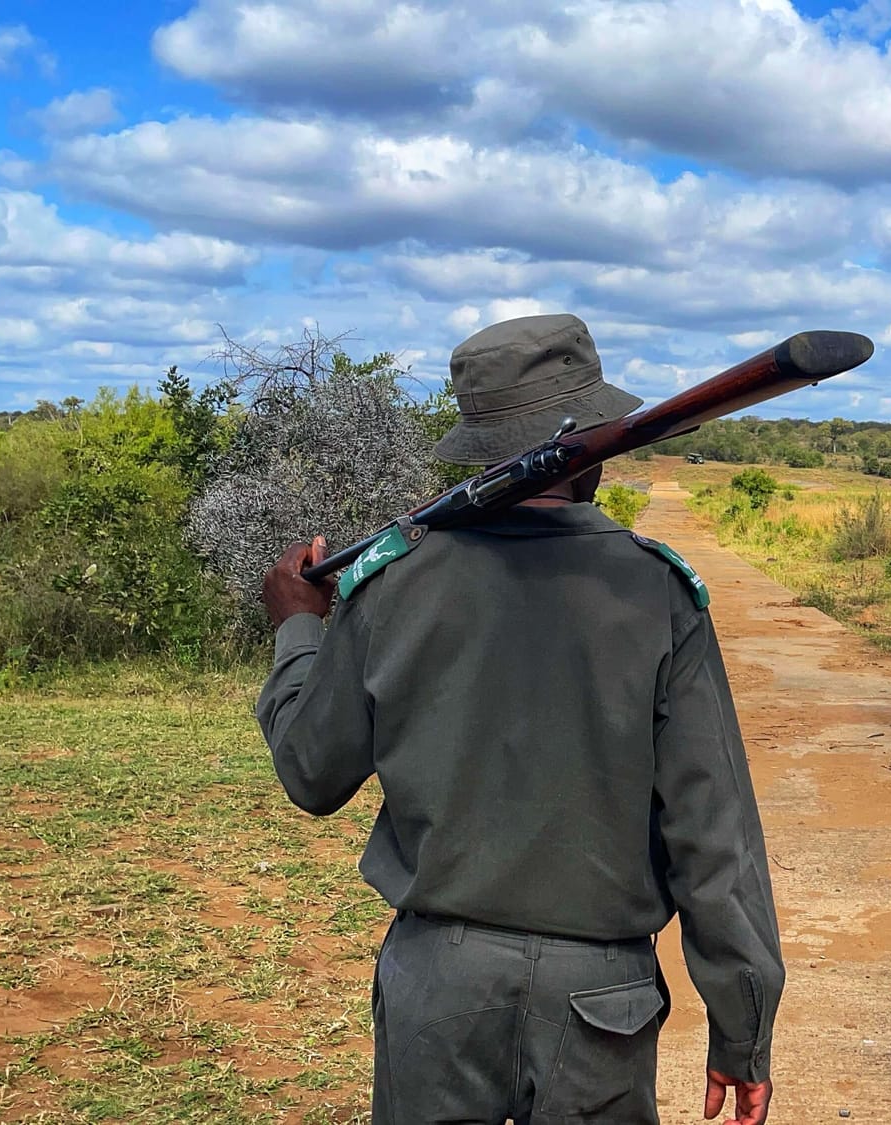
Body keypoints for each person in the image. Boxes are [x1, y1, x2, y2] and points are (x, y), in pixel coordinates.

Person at [256, 313, 784, 1125]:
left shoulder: (391, 586)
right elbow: (714, 836)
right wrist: (741, 1023)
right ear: (596, 454)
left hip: (437, 986)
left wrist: (298, 625)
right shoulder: (658, 595)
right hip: (602, 999)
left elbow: (310, 770)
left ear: (478, 444)